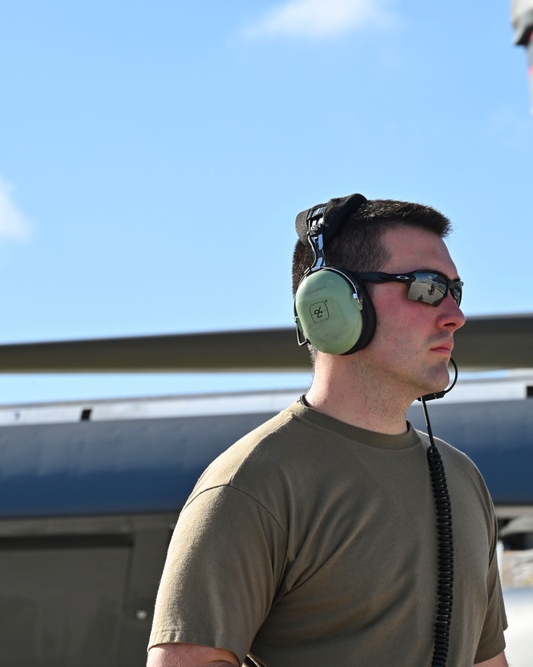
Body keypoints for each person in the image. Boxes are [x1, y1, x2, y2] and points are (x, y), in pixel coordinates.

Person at [147, 196, 508, 666]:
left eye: (455, 292)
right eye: (426, 288)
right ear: (332, 306)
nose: (454, 316)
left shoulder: (462, 479)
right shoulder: (252, 483)